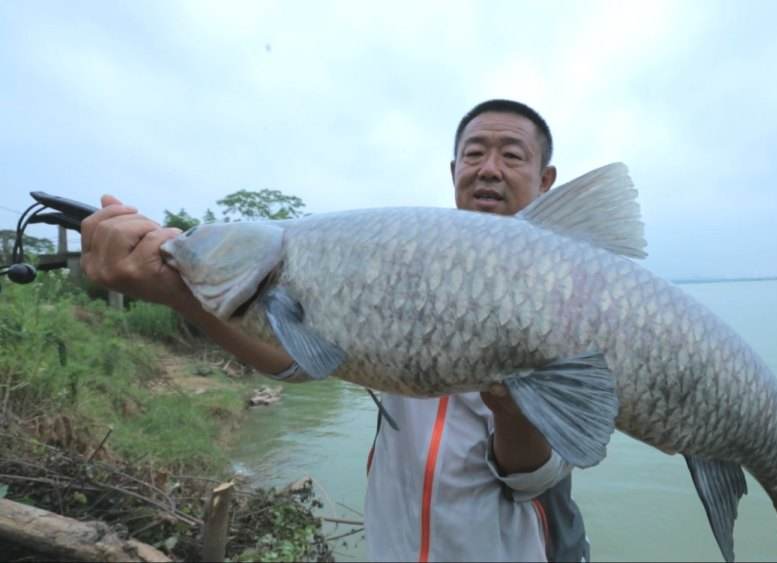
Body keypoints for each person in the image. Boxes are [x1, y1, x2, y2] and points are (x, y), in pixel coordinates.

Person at [81, 99, 589, 562]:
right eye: (474, 153)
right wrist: (179, 293)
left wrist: (511, 407)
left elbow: (532, 480)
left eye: (512, 156)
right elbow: (300, 359)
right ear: (453, 170)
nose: (489, 169)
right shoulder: (407, 266)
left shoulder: (576, 297)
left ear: (546, 181)